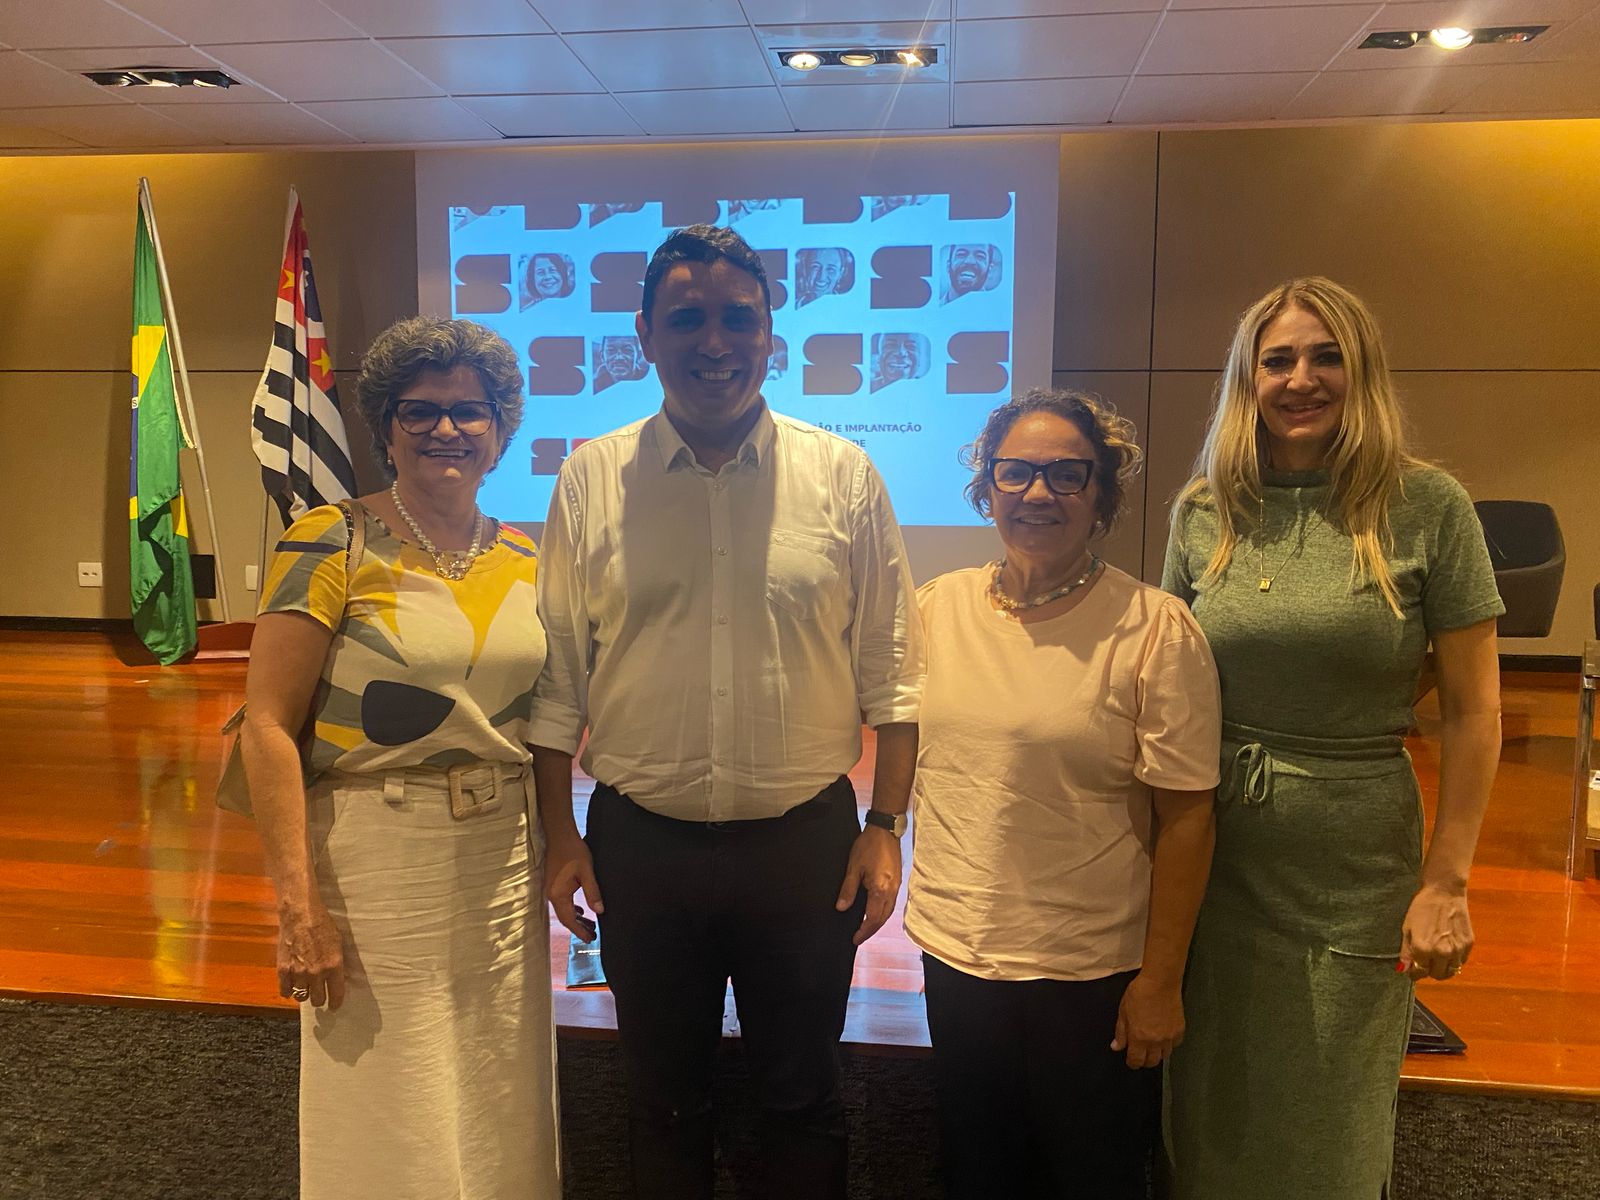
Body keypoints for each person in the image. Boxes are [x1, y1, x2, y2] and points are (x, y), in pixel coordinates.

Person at [530, 223, 923, 1200]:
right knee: (661, 1101)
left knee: (802, 1095)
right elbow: (557, 680)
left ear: (770, 335)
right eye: (687, 319)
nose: (715, 342)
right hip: (640, 848)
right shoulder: (589, 478)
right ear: (644, 336)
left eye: (738, 319)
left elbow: (894, 671)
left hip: (804, 850)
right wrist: (559, 836)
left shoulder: (843, 477)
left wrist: (885, 825)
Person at [1161, 277, 1503, 1199]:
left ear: (1364, 372)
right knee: (1212, 1100)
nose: (1300, 379)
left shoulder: (1429, 506)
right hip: (1216, 852)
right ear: (1248, 380)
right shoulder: (1205, 510)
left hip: (1354, 863)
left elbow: (1475, 713)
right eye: (1276, 360)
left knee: (1331, 1111)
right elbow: (1170, 687)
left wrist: (1447, 881)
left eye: (1326, 358)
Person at [242, 317, 560, 1200]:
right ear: (385, 426)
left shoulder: (529, 557)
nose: (446, 429)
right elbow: (265, 725)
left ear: (501, 429)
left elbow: (545, 723)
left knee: (498, 1084)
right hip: (379, 858)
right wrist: (297, 907)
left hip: (501, 858)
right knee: (389, 1092)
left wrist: (562, 842)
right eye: (420, 411)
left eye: (470, 411)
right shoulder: (330, 539)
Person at [906, 389, 1221, 1198]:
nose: (1037, 493)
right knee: (977, 1176)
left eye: (1067, 475)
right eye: (1014, 472)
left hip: (1089, 978)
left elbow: (1188, 818)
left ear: (1101, 494)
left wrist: (1161, 982)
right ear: (987, 486)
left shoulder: (1155, 629)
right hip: (958, 956)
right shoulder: (936, 609)